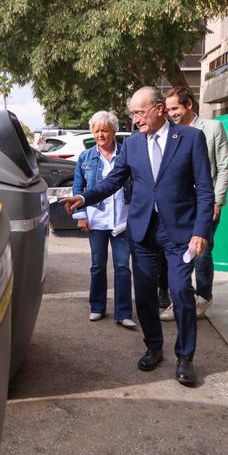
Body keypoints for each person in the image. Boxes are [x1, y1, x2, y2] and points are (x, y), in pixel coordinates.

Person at [60, 87, 214, 386]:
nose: (135, 119)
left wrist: (200, 231)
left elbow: (205, 190)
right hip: (142, 230)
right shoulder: (131, 145)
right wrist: (83, 198)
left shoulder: (190, 138)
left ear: (159, 109)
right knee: (143, 295)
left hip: (179, 231)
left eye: (139, 112)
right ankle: (154, 348)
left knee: (181, 292)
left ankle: (185, 357)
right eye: (132, 114)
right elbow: (113, 181)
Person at [163, 86, 228, 320]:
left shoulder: (213, 128)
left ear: (189, 105)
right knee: (176, 254)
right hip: (179, 205)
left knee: (201, 253)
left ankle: (203, 297)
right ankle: (181, 299)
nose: (171, 113)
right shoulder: (169, 132)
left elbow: (224, 167)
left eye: (175, 108)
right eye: (168, 109)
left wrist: (217, 201)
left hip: (206, 203)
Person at [72, 111, 135, 328]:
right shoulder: (85, 157)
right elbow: (78, 188)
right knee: (97, 265)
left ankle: (124, 312)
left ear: (114, 131)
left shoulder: (127, 153)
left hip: (123, 221)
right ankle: (97, 307)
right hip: (97, 219)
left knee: (122, 266)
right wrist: (80, 216)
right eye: (96, 130)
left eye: (104, 130)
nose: (100, 134)